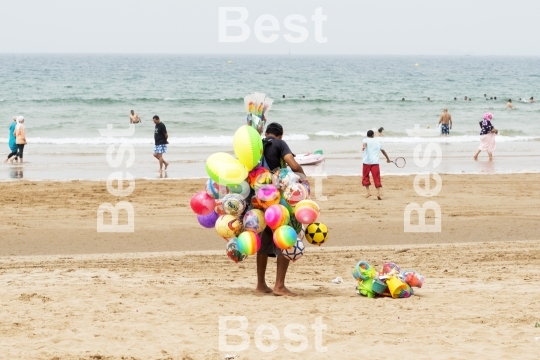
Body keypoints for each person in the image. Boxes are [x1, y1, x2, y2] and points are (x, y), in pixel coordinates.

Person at [256, 122, 305, 297]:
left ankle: (261, 285)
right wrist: (303, 177)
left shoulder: (257, 144)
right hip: (277, 199)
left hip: (258, 199)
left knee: (265, 237)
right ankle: (279, 286)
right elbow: (292, 164)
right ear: (280, 135)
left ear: (267, 132)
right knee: (285, 234)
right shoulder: (279, 143)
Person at [362, 130, 391, 200]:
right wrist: (388, 159)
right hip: (375, 162)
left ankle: (368, 192)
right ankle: (378, 193)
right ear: (372, 135)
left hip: (366, 162)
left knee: (365, 177)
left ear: (367, 135)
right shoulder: (378, 142)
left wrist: (363, 147)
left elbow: (365, 144)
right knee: (376, 177)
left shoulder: (365, 139)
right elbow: (383, 151)